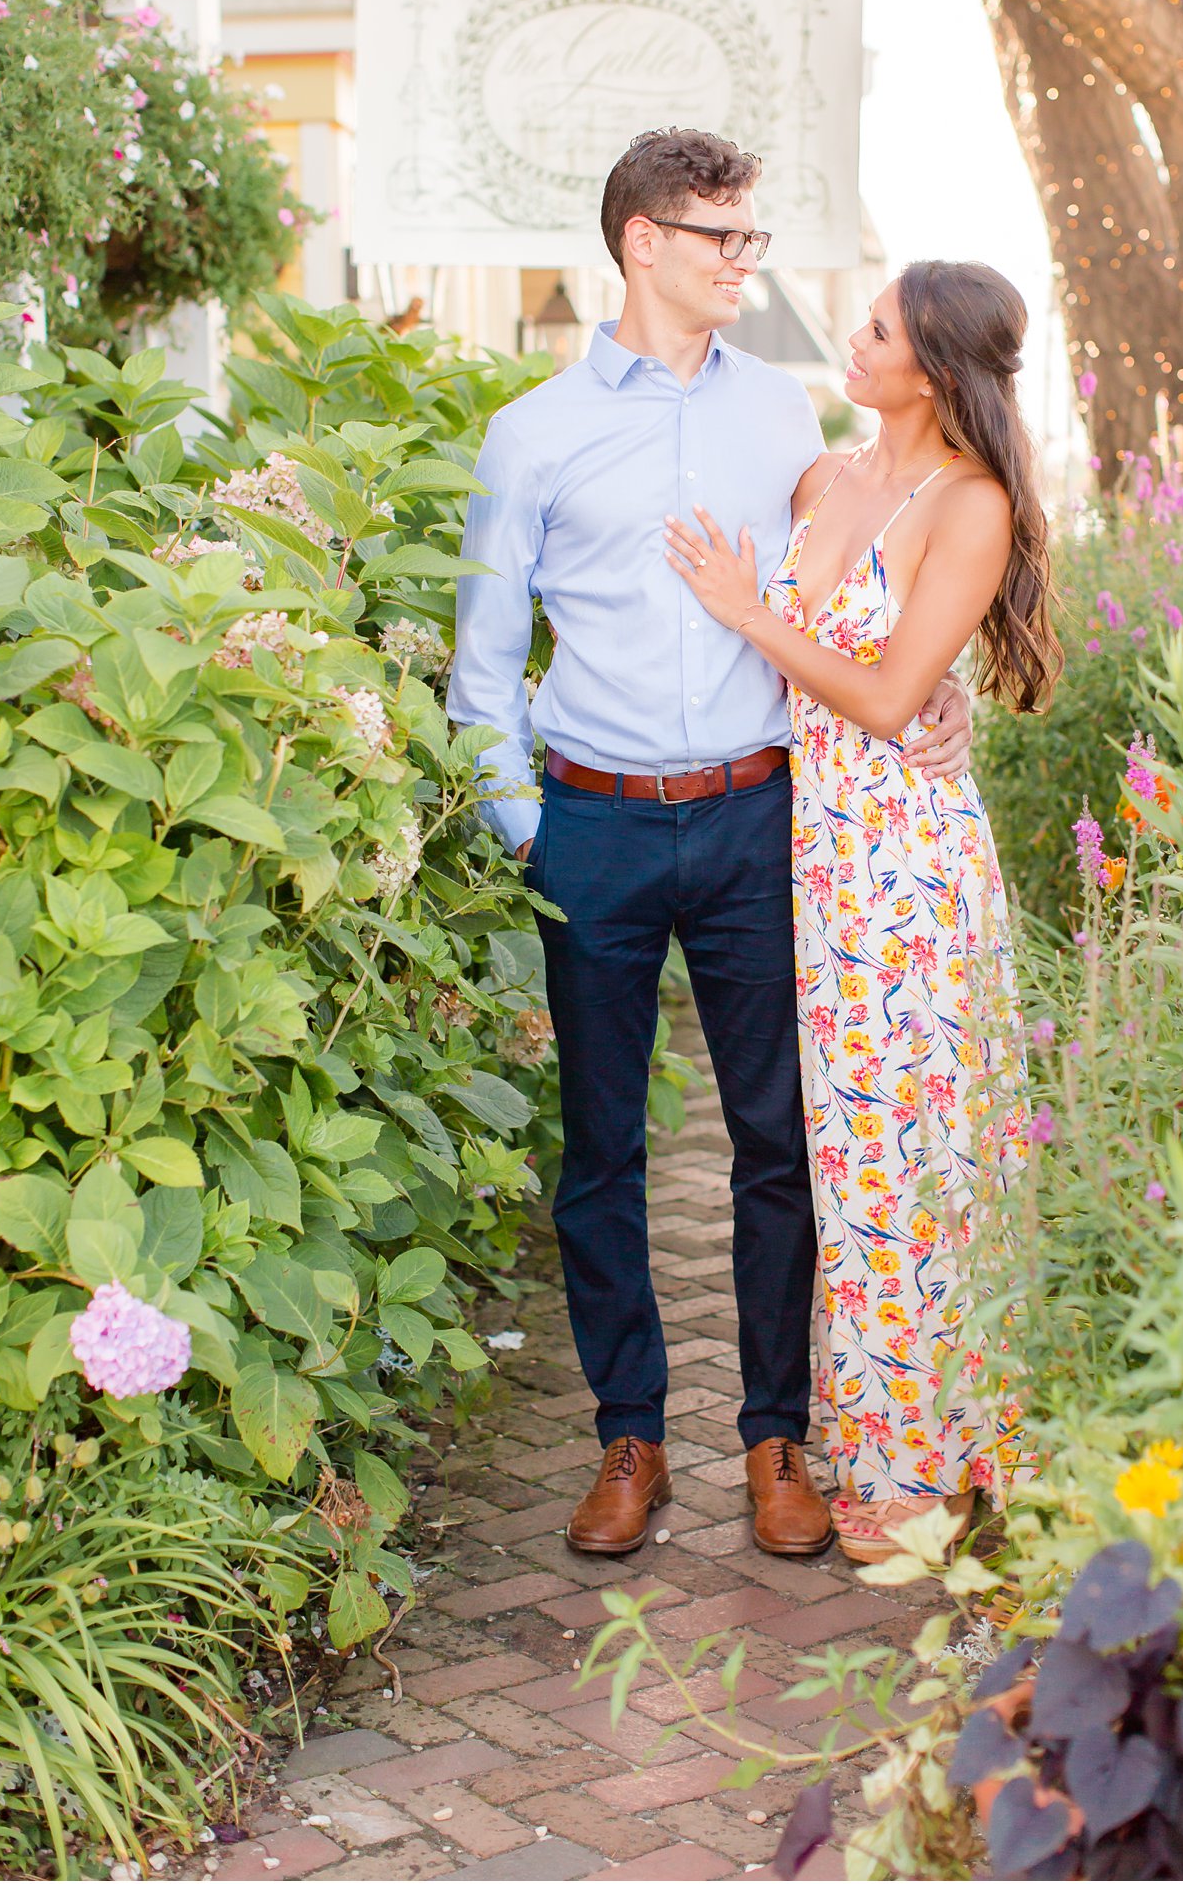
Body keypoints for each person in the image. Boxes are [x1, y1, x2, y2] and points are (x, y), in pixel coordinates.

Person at [448, 129, 973, 1559]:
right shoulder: (532, 434)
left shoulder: (786, 417)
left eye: (752, 235)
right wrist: (531, 833)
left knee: (774, 1140)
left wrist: (945, 694)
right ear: (642, 242)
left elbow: (869, 584)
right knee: (599, 1150)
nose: (747, 260)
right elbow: (482, 669)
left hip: (760, 821)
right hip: (597, 829)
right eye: (721, 236)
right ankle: (630, 1437)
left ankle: (775, 1441)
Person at [665, 258, 1061, 1563]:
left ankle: (942, 1465)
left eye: (880, 325)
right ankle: (873, 1443)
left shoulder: (972, 504)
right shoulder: (827, 475)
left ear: (935, 365)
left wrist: (742, 613)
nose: (857, 334)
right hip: (822, 861)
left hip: (912, 873)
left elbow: (893, 697)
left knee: (927, 1164)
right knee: (852, 1166)